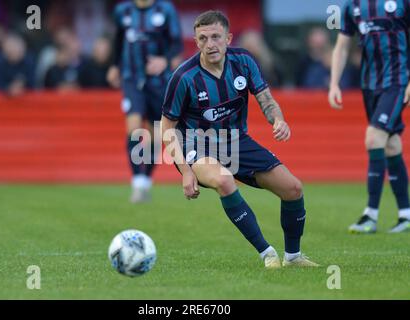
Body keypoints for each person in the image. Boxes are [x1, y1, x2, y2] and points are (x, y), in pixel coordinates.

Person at [161, 11, 319, 268]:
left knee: (293, 189)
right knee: (224, 180)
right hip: (197, 145)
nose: (210, 44)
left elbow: (265, 99)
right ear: (196, 41)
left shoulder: (244, 61)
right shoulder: (183, 77)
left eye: (215, 37)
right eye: (203, 38)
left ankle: (293, 257)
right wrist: (185, 171)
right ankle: (267, 253)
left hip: (237, 142)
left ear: (228, 38)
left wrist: (278, 120)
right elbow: (166, 127)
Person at [329, 0, 410, 233]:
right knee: (391, 145)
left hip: (397, 82)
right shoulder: (351, 6)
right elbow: (342, 46)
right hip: (369, 85)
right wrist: (334, 84)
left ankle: (370, 215)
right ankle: (406, 214)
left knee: (374, 138)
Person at [107, 0, 183, 203]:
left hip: (160, 82)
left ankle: (146, 180)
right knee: (133, 128)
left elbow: (176, 43)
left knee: (154, 135)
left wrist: (165, 60)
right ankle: (137, 181)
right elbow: (118, 40)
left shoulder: (165, 10)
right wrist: (115, 66)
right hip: (132, 79)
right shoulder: (123, 11)